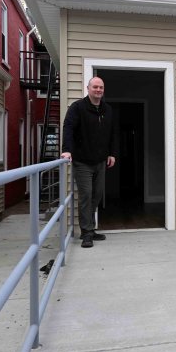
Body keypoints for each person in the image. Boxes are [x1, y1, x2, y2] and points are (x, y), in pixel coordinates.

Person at [61, 77, 116, 248]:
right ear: (88, 88)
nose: (98, 90)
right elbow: (68, 127)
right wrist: (67, 149)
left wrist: (112, 153)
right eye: (95, 87)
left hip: (100, 161)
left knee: (97, 195)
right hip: (82, 161)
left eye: (101, 87)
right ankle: (86, 232)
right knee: (86, 195)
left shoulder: (107, 109)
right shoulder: (78, 108)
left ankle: (90, 228)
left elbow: (112, 133)